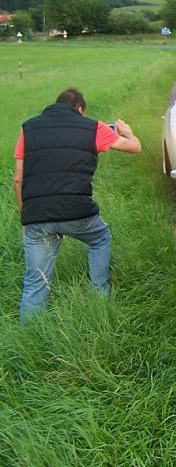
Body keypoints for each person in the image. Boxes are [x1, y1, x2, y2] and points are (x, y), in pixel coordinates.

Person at [13, 88, 142, 325]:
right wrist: (128, 132)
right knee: (100, 238)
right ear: (80, 109)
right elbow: (135, 147)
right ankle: (100, 298)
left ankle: (29, 331)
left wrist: (27, 214)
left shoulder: (28, 128)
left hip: (36, 215)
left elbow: (18, 178)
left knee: (35, 281)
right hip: (77, 211)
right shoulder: (94, 127)